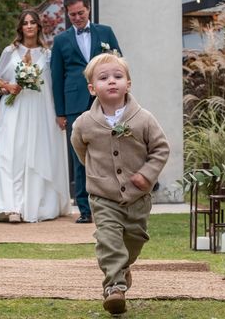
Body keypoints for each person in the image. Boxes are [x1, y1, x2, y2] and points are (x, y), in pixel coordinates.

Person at [70, 53, 169, 315]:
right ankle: (114, 287)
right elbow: (81, 150)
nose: (111, 82)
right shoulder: (84, 123)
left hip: (138, 197)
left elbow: (161, 149)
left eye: (117, 76)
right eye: (104, 78)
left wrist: (147, 174)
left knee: (134, 240)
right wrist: (98, 174)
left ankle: (123, 269)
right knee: (108, 239)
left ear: (128, 83)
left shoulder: (144, 118)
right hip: (103, 196)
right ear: (93, 88)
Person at [0, 9, 71, 223]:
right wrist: (9, 86)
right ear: (21, 27)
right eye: (25, 22)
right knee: (12, 155)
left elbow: (53, 85)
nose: (29, 26)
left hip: (39, 112)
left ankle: (36, 204)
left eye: (32, 22)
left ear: (38, 26)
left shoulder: (47, 55)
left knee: (36, 154)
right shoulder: (10, 51)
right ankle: (11, 206)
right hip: (15, 110)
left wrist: (58, 114)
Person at [50, 0, 121, 223]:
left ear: (88, 9)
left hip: (105, 102)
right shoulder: (60, 41)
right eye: (72, 15)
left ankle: (110, 204)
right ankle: (84, 209)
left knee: (110, 152)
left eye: (81, 13)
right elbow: (56, 76)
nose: (77, 18)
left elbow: (119, 64)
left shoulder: (106, 32)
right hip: (74, 104)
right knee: (79, 155)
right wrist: (60, 112)